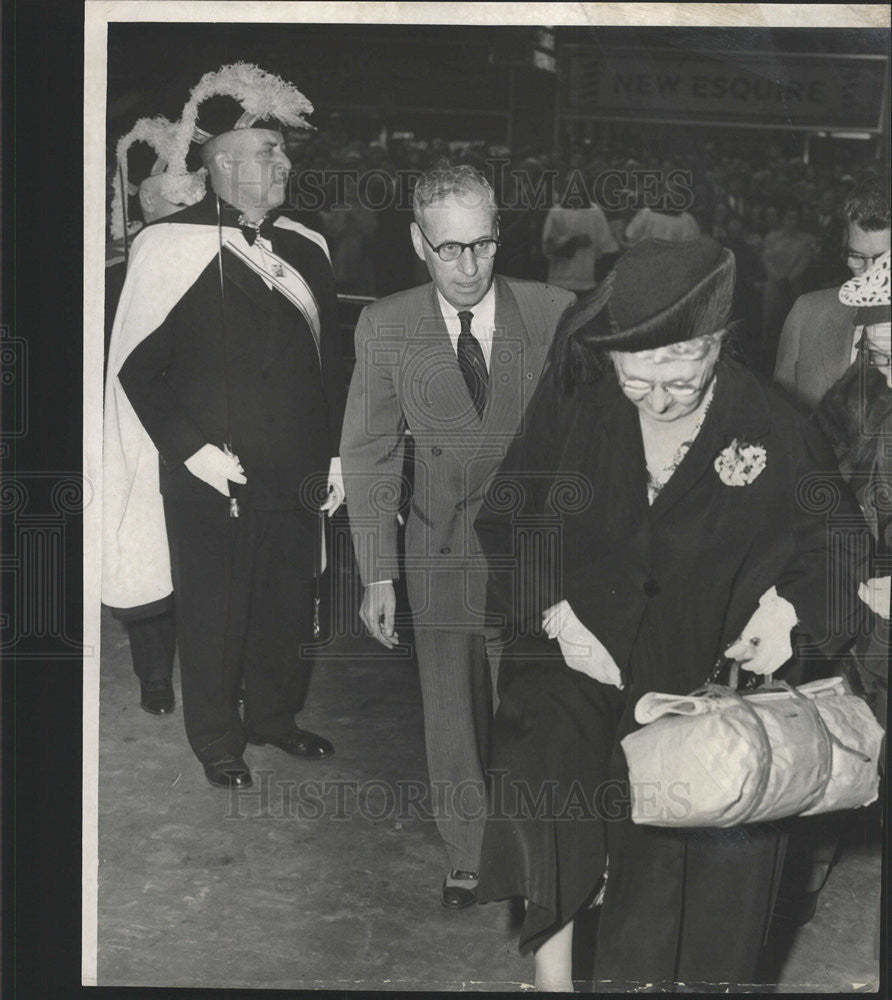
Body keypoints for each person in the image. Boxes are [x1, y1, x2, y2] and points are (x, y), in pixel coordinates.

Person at [473, 237, 868, 991]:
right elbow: (507, 515)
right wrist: (556, 615)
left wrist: (789, 611)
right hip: (578, 653)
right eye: (639, 382)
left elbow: (841, 544)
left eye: (680, 381)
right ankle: (553, 978)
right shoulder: (578, 401)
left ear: (714, 345)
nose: (658, 399)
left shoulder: (771, 425)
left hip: (694, 674)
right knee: (545, 763)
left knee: (692, 861)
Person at [103, 63, 346, 790]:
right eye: (271, 153)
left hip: (296, 465)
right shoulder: (165, 247)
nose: (285, 164)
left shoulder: (308, 246)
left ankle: (273, 718)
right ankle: (218, 739)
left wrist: (335, 455)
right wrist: (193, 451)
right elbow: (137, 371)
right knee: (216, 612)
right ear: (222, 163)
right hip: (211, 472)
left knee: (285, 605)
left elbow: (331, 363)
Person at [339, 162, 575, 909]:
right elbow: (369, 449)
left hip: (536, 559)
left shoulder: (557, 313)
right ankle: (468, 854)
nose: (468, 267)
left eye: (481, 245)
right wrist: (378, 571)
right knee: (451, 712)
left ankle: (543, 855)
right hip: (437, 549)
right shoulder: (386, 325)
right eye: (449, 249)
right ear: (418, 240)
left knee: (539, 712)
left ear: (501, 237)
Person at [103, 115, 189, 716]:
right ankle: (154, 674)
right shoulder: (113, 277)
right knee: (141, 547)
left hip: (201, 429)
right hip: (132, 432)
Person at [775, 180, 891, 409]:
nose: (868, 274)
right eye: (857, 257)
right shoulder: (807, 313)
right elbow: (779, 423)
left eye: (883, 261)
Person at [541, 175, 618, 293]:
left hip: (586, 282)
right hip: (559, 281)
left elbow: (607, 247)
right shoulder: (556, 212)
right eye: (570, 184)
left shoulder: (596, 213)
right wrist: (571, 242)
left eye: (579, 185)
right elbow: (547, 247)